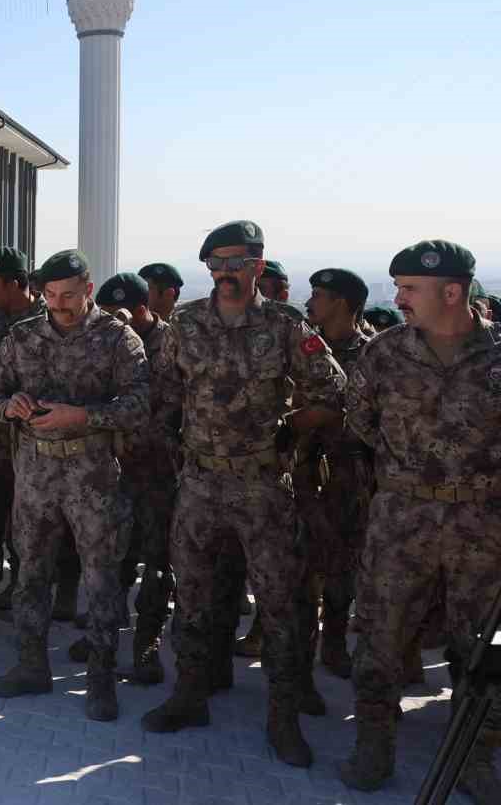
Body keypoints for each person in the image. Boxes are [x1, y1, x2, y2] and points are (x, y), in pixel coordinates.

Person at [142, 220, 345, 770]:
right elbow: (162, 394)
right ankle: (189, 696)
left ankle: (282, 718)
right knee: (193, 599)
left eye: (235, 263)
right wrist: (177, 450)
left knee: (278, 605)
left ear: (257, 265)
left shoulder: (284, 326)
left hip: (262, 487)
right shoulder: (185, 325)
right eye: (216, 264)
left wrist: (292, 427)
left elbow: (332, 389)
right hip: (200, 484)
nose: (225, 274)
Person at [339, 241, 501, 797]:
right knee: (381, 635)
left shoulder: (498, 354)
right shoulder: (385, 353)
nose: (399, 299)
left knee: (480, 647)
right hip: (401, 520)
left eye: (410, 289)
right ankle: (374, 743)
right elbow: (361, 421)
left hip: (483, 527)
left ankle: (474, 755)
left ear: (452, 292)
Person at [0, 250, 148, 722]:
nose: (59, 305)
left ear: (89, 290)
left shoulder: (118, 338)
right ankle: (30, 664)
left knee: (102, 577)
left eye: (69, 296)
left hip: (93, 474)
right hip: (35, 474)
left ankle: (100, 679)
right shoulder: (23, 336)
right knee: (30, 571)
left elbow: (141, 404)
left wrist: (84, 415)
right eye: (50, 296)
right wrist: (9, 405)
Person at [88, 272, 176, 684]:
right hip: (113, 469)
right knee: (110, 558)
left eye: (120, 313)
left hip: (160, 471)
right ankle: (103, 636)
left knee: (157, 563)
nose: (112, 320)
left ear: (144, 310)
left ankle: (147, 644)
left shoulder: (172, 344)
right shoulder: (105, 342)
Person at [0, 246, 58, 620]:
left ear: (17, 283)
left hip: (37, 445)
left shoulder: (51, 321)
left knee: (32, 527)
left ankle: (28, 592)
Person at [301, 268, 374, 681]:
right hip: (299, 473)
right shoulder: (302, 347)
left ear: (342, 303)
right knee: (300, 569)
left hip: (346, 476)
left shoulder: (370, 354)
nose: (311, 302)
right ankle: (302, 654)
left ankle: (334, 644)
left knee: (342, 567)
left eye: (320, 294)